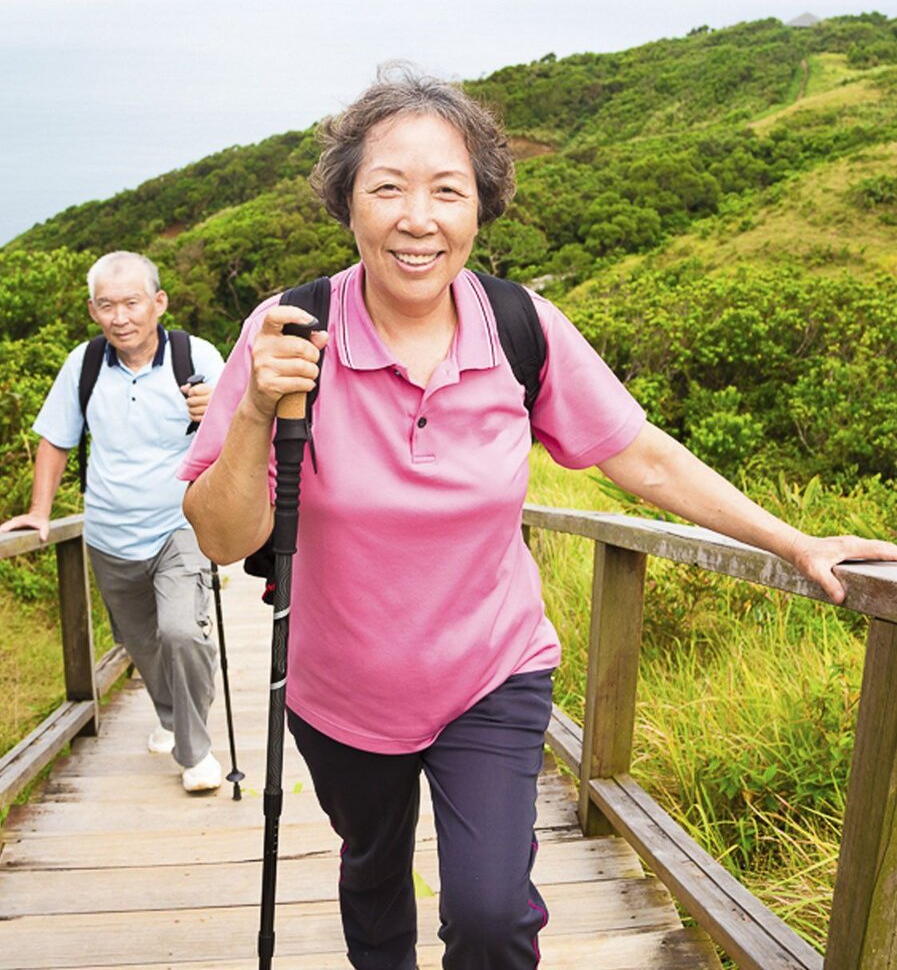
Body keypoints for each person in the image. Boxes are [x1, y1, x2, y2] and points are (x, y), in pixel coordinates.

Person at [179, 67, 897, 969]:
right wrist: (251, 414)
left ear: (481, 206)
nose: (417, 217)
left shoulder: (521, 327)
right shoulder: (287, 330)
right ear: (346, 201)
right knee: (372, 873)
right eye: (387, 187)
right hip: (342, 689)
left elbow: (640, 455)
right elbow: (222, 536)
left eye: (448, 190)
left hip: (492, 670)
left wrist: (791, 540)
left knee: (490, 917)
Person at [0, 251, 226, 793]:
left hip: (182, 523)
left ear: (158, 302)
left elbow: (241, 429)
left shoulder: (196, 357)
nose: (121, 316)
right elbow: (56, 439)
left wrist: (216, 408)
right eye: (107, 305)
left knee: (180, 632)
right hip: (108, 533)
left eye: (131, 302)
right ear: (92, 310)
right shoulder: (83, 364)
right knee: (142, 643)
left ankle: (195, 754)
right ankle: (171, 718)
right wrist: (39, 510)